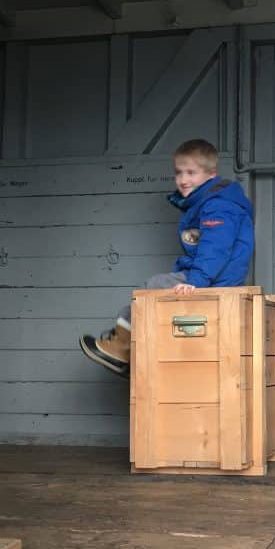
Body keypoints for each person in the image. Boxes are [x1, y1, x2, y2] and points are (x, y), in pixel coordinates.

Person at [80, 138, 254, 377]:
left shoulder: (218, 206)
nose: (183, 180)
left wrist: (196, 281)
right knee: (161, 296)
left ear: (211, 174)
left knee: (154, 286)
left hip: (214, 278)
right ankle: (134, 351)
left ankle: (121, 349)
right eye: (178, 173)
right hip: (210, 275)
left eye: (191, 172)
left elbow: (216, 248)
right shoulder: (206, 203)